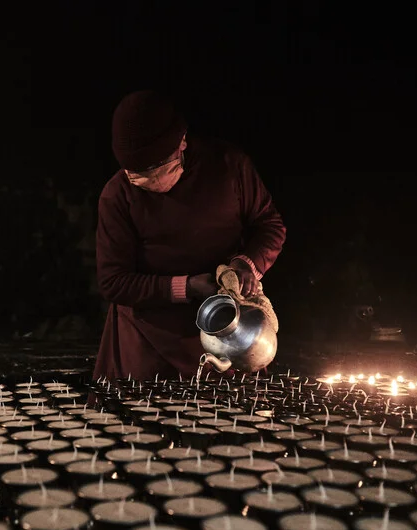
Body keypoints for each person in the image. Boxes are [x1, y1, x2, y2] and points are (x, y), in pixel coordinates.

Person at [93, 90, 287, 381]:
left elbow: (270, 225)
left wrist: (248, 265)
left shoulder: (228, 165)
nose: (149, 179)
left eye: (157, 166)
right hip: (146, 341)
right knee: (136, 421)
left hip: (227, 327)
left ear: (182, 140)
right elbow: (113, 282)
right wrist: (185, 287)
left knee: (231, 421)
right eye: (137, 172)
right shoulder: (117, 195)